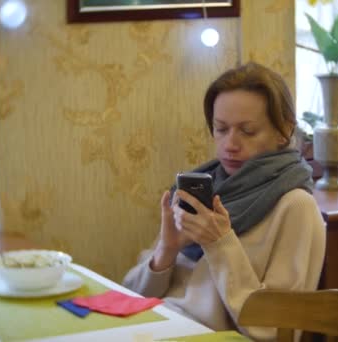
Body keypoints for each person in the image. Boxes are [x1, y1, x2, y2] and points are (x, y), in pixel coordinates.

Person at [123, 62, 326, 341]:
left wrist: (220, 243)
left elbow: (276, 330)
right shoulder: (206, 184)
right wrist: (166, 251)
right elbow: (131, 299)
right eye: (221, 129)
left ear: (284, 131)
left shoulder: (295, 206)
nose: (230, 144)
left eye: (248, 131)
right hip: (159, 326)